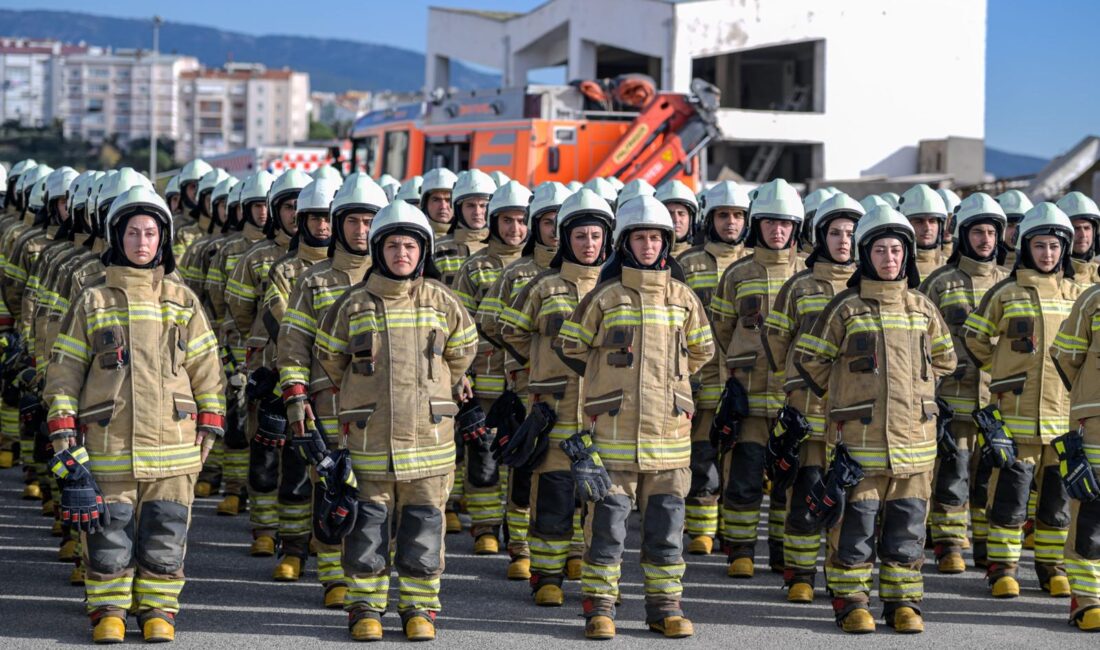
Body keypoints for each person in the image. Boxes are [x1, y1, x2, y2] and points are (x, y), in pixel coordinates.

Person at [43, 184, 226, 643]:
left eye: (149, 234)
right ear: (116, 238)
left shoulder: (183, 302)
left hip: (174, 440)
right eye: (132, 234)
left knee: (166, 530)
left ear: (162, 240)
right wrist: (64, 429)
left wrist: (211, 421)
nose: (141, 243)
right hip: (109, 441)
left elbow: (207, 370)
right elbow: (64, 370)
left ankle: (159, 610)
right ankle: (109, 609)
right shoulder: (94, 300)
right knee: (108, 532)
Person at [314, 201, 477, 642]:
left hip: (430, 439)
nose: (401, 254)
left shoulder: (442, 301)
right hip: (370, 439)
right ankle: (365, 607)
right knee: (367, 528)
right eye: (392, 245)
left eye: (409, 245)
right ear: (378, 250)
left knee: (424, 527)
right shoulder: (353, 304)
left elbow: (463, 351)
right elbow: (330, 357)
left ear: (421, 251)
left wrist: (442, 386)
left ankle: (418, 607)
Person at [792, 204, 956, 634]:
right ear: (866, 255)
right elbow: (813, 362)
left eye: (897, 251)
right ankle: (852, 602)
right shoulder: (845, 308)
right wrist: (851, 396)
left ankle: (904, 603)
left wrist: (911, 393)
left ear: (907, 255)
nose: (890, 259)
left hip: (915, 444)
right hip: (859, 442)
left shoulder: (921, 307)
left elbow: (945, 359)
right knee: (854, 527)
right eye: (881, 250)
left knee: (906, 527)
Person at [558, 194, 713, 640]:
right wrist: (607, 383)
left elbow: (701, 350)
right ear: (625, 244)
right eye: (640, 238)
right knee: (606, 530)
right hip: (612, 437)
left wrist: (673, 386)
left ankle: (665, 608)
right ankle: (600, 609)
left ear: (667, 242)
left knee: (666, 531)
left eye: (656, 238)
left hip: (670, 439)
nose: (648, 246)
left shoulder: (683, 298)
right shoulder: (605, 297)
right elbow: (572, 346)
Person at [962, 202, 1083, 599]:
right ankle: (1002, 569)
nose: (1047, 254)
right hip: (1014, 418)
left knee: (1056, 501)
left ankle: (1051, 568)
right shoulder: (1006, 292)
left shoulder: (1076, 295)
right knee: (1009, 498)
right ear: (1025, 247)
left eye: (1053, 246)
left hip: (1062, 419)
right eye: (1039, 246)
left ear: (1063, 250)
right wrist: (1003, 369)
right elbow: (975, 338)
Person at [499, 187, 613, 605]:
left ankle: (586, 563)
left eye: (596, 237)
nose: (588, 245)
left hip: (604, 410)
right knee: (553, 493)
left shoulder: (616, 289)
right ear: (566, 239)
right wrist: (536, 367)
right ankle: (547, 575)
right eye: (580, 237)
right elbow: (509, 329)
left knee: (601, 495)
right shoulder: (544, 287)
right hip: (555, 407)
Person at [279, 173, 386, 607]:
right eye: (353, 221)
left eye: (369, 221)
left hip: (385, 407)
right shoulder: (314, 280)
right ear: (338, 223)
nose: (361, 231)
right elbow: (292, 344)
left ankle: (370, 574)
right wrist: (296, 396)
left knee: (377, 491)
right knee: (330, 486)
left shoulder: (398, 276)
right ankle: (332, 576)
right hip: (328, 403)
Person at [763, 191, 863, 603]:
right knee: (805, 494)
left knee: (850, 500)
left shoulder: (871, 292)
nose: (844, 241)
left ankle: (843, 575)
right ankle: (800, 574)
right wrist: (795, 385)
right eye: (836, 233)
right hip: (809, 411)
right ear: (820, 236)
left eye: (851, 234)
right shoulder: (799, 286)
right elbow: (775, 340)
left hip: (854, 417)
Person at [475, 180, 570, 579]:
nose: (552, 230)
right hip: (526, 386)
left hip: (575, 391)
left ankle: (573, 549)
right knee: (527, 465)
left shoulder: (592, 272)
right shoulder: (518, 273)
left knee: (572, 471)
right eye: (546, 222)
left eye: (558, 222)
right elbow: (490, 324)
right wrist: (533, 358)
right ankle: (521, 547)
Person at [710, 178, 805, 576]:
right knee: (745, 477)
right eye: (769, 223)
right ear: (758, 226)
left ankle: (782, 553)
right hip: (748, 398)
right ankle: (741, 551)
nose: (777, 231)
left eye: (784, 224)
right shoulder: (737, 273)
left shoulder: (807, 274)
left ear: (795, 228)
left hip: (792, 400)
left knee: (789, 479)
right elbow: (721, 328)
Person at [917, 193, 1009, 574]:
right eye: (978, 232)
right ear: (964, 234)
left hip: (998, 401)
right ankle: (950, 544)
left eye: (991, 232)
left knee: (990, 475)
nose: (985, 240)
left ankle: (987, 546)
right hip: (953, 397)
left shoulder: (1009, 282)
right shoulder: (940, 282)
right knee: (953, 471)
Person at [257, 177, 340, 581]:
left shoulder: (367, 271)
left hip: (349, 392)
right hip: (298, 382)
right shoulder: (287, 269)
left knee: (338, 475)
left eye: (329, 218)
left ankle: (328, 544)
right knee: (296, 469)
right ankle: (291, 547)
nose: (323, 226)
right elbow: (281, 324)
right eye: (315, 218)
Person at [222, 169, 309, 524]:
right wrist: (258, 344)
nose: (294, 214)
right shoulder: (255, 257)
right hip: (266, 368)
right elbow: (236, 308)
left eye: (301, 207)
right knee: (266, 449)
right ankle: (264, 528)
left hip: (312, 370)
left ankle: (303, 532)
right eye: (288, 206)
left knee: (305, 454)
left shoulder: (327, 264)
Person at [451, 180, 532, 555]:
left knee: (526, 458)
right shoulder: (475, 266)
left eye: (521, 221)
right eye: (507, 221)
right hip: (484, 378)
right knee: (483, 456)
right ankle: (484, 527)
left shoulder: (541, 269)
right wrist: (461, 372)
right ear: (495, 222)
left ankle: (521, 535)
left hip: (529, 381)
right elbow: (459, 325)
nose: (515, 229)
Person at [675, 180, 751, 554]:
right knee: (702, 453)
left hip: (745, 380)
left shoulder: (754, 263)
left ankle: (736, 535)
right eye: (723, 215)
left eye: (738, 215)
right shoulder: (688, 264)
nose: (731, 223)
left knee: (740, 457)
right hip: (701, 377)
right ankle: (702, 529)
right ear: (709, 218)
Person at [1049, 264, 1100, 632]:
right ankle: (1087, 600)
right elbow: (1065, 354)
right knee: (1090, 514)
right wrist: (1088, 397)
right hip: (1096, 423)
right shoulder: (1092, 301)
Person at [434, 169, 493, 285]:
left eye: (483, 205)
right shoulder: (438, 249)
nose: (477, 212)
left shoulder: (499, 248)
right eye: (470, 205)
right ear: (459, 209)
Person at [897, 184, 948, 282]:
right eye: (919, 221)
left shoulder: (949, 265)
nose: (927, 228)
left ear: (940, 225)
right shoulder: (894, 268)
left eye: (932, 221)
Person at [1058, 191, 1100, 283]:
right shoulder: (1051, 278)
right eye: (1076, 228)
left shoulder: (1098, 273)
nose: (1083, 235)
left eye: (1087, 228)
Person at [656, 180, 696, 258]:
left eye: (681, 214)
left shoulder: (702, 257)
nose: (676, 219)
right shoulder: (649, 259)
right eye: (670, 214)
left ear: (691, 219)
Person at [995, 190, 1033, 271]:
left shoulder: (1041, 267)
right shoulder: (985, 270)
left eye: (1020, 226)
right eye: (1010, 225)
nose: (1015, 231)